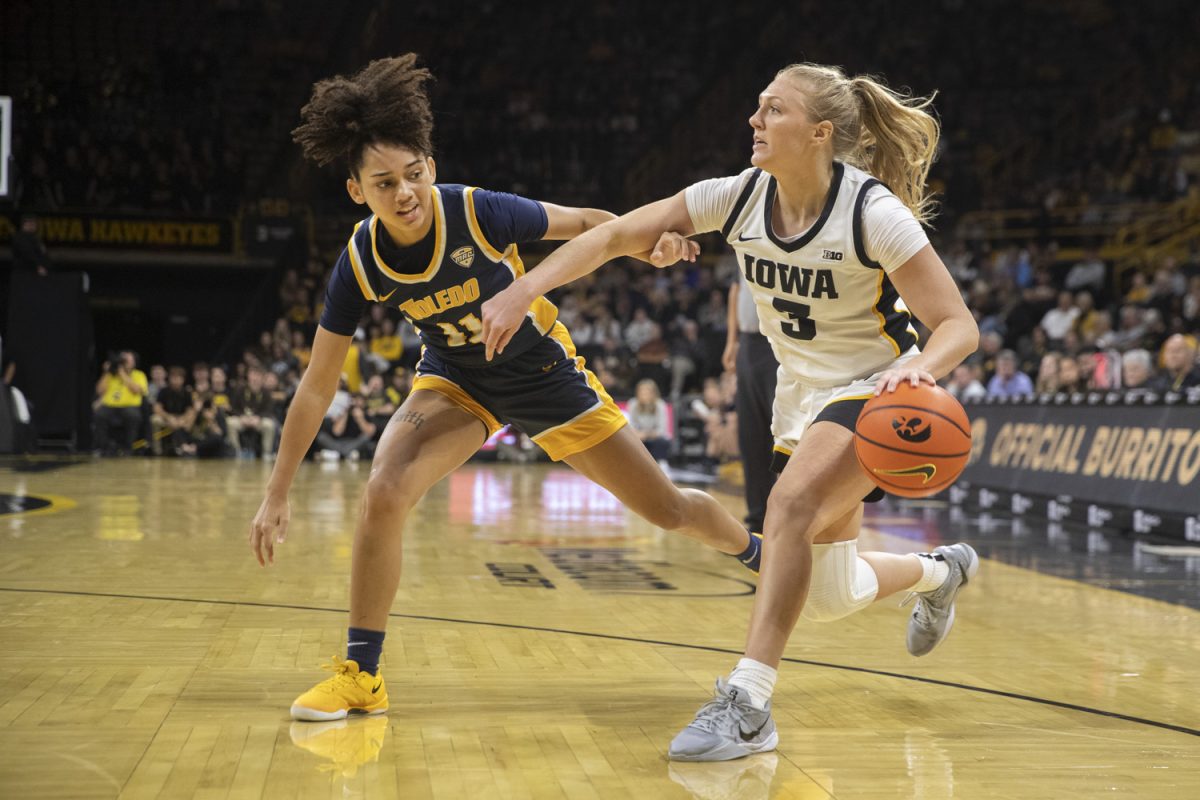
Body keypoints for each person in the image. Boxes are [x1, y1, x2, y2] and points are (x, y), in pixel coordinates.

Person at [482, 62, 981, 762]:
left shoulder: (872, 212)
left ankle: (747, 704)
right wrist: (523, 288)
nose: (754, 120)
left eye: (772, 110)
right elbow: (614, 234)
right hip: (799, 397)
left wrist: (916, 366)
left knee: (787, 509)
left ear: (819, 132)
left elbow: (958, 325)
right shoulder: (736, 196)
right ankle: (941, 571)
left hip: (873, 390)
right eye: (756, 106)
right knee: (833, 595)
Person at [248, 55, 762, 723]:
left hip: (545, 377)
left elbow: (585, 224)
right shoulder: (359, 261)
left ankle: (759, 553)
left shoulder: (475, 212)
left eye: (413, 174)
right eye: (383, 183)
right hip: (456, 381)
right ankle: (362, 677)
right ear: (356, 192)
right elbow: (316, 387)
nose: (403, 192)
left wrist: (649, 245)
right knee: (384, 490)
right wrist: (277, 491)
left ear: (429, 165)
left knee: (667, 510)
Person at [724, 272, 779, 533]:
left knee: (785, 434)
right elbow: (736, 291)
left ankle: (792, 520)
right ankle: (757, 520)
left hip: (782, 341)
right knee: (751, 436)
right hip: (748, 342)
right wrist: (732, 341)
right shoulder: (744, 234)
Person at [94, 350, 148, 455]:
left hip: (130, 406)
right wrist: (107, 372)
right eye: (123, 360)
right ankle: (104, 446)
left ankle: (128, 447)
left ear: (134, 363)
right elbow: (99, 391)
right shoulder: (111, 375)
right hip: (110, 406)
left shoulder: (139, 375)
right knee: (99, 414)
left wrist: (122, 373)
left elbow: (136, 390)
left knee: (132, 415)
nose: (124, 362)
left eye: (127, 360)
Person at [626, 378, 672, 462]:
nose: (644, 395)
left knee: (662, 442)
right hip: (639, 437)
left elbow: (662, 430)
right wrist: (639, 434)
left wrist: (647, 434)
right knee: (632, 442)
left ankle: (662, 463)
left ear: (653, 393)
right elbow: (630, 426)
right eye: (642, 392)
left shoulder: (660, 405)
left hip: (655, 437)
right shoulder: (632, 403)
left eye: (647, 392)